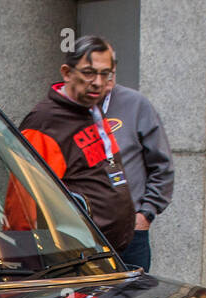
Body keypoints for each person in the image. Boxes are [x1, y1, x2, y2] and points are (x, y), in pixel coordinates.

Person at [16, 35, 135, 256]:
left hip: (113, 250)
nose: (98, 82)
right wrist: (24, 259)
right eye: (89, 73)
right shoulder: (45, 122)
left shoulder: (90, 107)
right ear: (67, 72)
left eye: (105, 73)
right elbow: (24, 201)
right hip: (80, 257)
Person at [102, 79, 174, 271]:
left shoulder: (136, 104)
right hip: (80, 235)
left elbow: (162, 165)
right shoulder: (65, 111)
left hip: (130, 234)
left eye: (108, 71)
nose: (101, 79)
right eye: (91, 71)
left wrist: (146, 214)